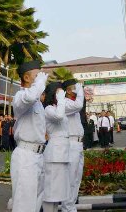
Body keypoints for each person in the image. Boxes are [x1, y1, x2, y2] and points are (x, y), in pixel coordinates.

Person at [10, 60, 48, 212]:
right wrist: (40, 84)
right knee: (24, 205)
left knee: (35, 203)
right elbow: (29, 98)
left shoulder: (38, 102)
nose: (41, 78)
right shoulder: (20, 96)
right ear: (26, 78)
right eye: (37, 75)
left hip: (38, 155)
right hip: (26, 156)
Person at [43, 82, 70, 212]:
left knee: (58, 192)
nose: (62, 94)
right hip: (55, 154)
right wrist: (61, 100)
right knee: (50, 192)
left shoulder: (58, 107)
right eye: (59, 92)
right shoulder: (49, 109)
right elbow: (59, 116)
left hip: (62, 153)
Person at [61, 79, 84, 212]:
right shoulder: (64, 103)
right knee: (70, 179)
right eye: (75, 88)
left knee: (76, 179)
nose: (77, 90)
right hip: (70, 144)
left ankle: (71, 207)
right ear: (69, 91)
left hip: (78, 144)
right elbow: (78, 105)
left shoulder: (74, 103)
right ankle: (67, 208)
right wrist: (80, 92)